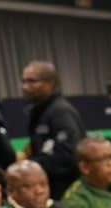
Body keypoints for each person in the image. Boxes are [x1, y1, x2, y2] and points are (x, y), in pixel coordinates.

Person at [22, 60, 86, 199]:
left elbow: (68, 158)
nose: (25, 87)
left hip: (65, 193)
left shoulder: (60, 111)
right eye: (24, 81)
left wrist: (31, 164)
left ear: (50, 83)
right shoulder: (41, 111)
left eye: (31, 81)